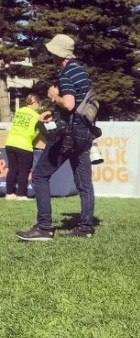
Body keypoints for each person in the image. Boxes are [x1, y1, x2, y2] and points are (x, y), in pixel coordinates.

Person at [16, 34, 96, 241]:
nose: (50, 55)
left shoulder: (66, 73)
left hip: (67, 135)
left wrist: (53, 96)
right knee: (84, 184)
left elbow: (68, 104)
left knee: (40, 176)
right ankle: (85, 228)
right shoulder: (82, 72)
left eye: (52, 52)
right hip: (84, 133)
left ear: (59, 53)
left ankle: (44, 228)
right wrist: (54, 113)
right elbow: (78, 106)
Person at [3, 94, 50, 200]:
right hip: (24, 145)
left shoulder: (19, 111)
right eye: (39, 104)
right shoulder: (36, 116)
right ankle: (21, 195)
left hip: (10, 142)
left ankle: (9, 194)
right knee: (23, 171)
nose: (39, 106)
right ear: (35, 103)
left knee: (12, 169)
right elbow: (45, 133)